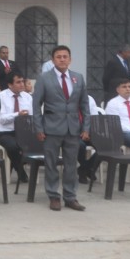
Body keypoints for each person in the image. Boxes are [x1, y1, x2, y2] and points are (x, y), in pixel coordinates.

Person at [32, 45, 91, 211]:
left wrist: (86, 127)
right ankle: (53, 196)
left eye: (65, 56)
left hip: (73, 128)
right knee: (51, 164)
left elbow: (85, 105)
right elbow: (36, 105)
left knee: (71, 164)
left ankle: (70, 197)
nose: (62, 59)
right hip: (51, 127)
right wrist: (39, 128)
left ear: (70, 59)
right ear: (53, 60)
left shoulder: (78, 78)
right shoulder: (44, 78)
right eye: (59, 57)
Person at [0, 72, 32, 184]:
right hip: (6, 132)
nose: (22, 84)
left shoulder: (28, 97)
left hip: (24, 131)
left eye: (22, 81)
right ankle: (21, 171)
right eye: (18, 82)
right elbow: (1, 119)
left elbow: (33, 117)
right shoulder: (1, 97)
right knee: (13, 147)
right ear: (10, 85)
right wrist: (17, 115)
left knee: (34, 145)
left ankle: (15, 166)